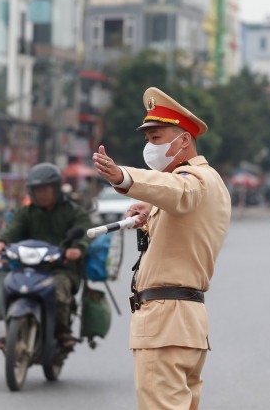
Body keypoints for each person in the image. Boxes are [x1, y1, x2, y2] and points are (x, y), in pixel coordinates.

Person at [93, 87, 231, 410]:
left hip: (166, 322)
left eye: (156, 138)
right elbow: (180, 212)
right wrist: (150, 212)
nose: (149, 147)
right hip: (186, 323)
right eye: (147, 139)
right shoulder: (210, 182)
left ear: (183, 141)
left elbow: (178, 190)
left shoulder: (191, 178)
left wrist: (123, 176)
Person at [0, 162, 92, 349]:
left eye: (45, 189)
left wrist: (77, 248)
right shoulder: (26, 213)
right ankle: (11, 327)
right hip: (29, 267)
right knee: (10, 286)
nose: (41, 194)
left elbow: (85, 230)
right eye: (37, 190)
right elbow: (13, 229)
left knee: (59, 291)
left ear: (56, 188)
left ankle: (62, 331)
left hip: (62, 268)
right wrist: (1, 242)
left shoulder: (72, 211)